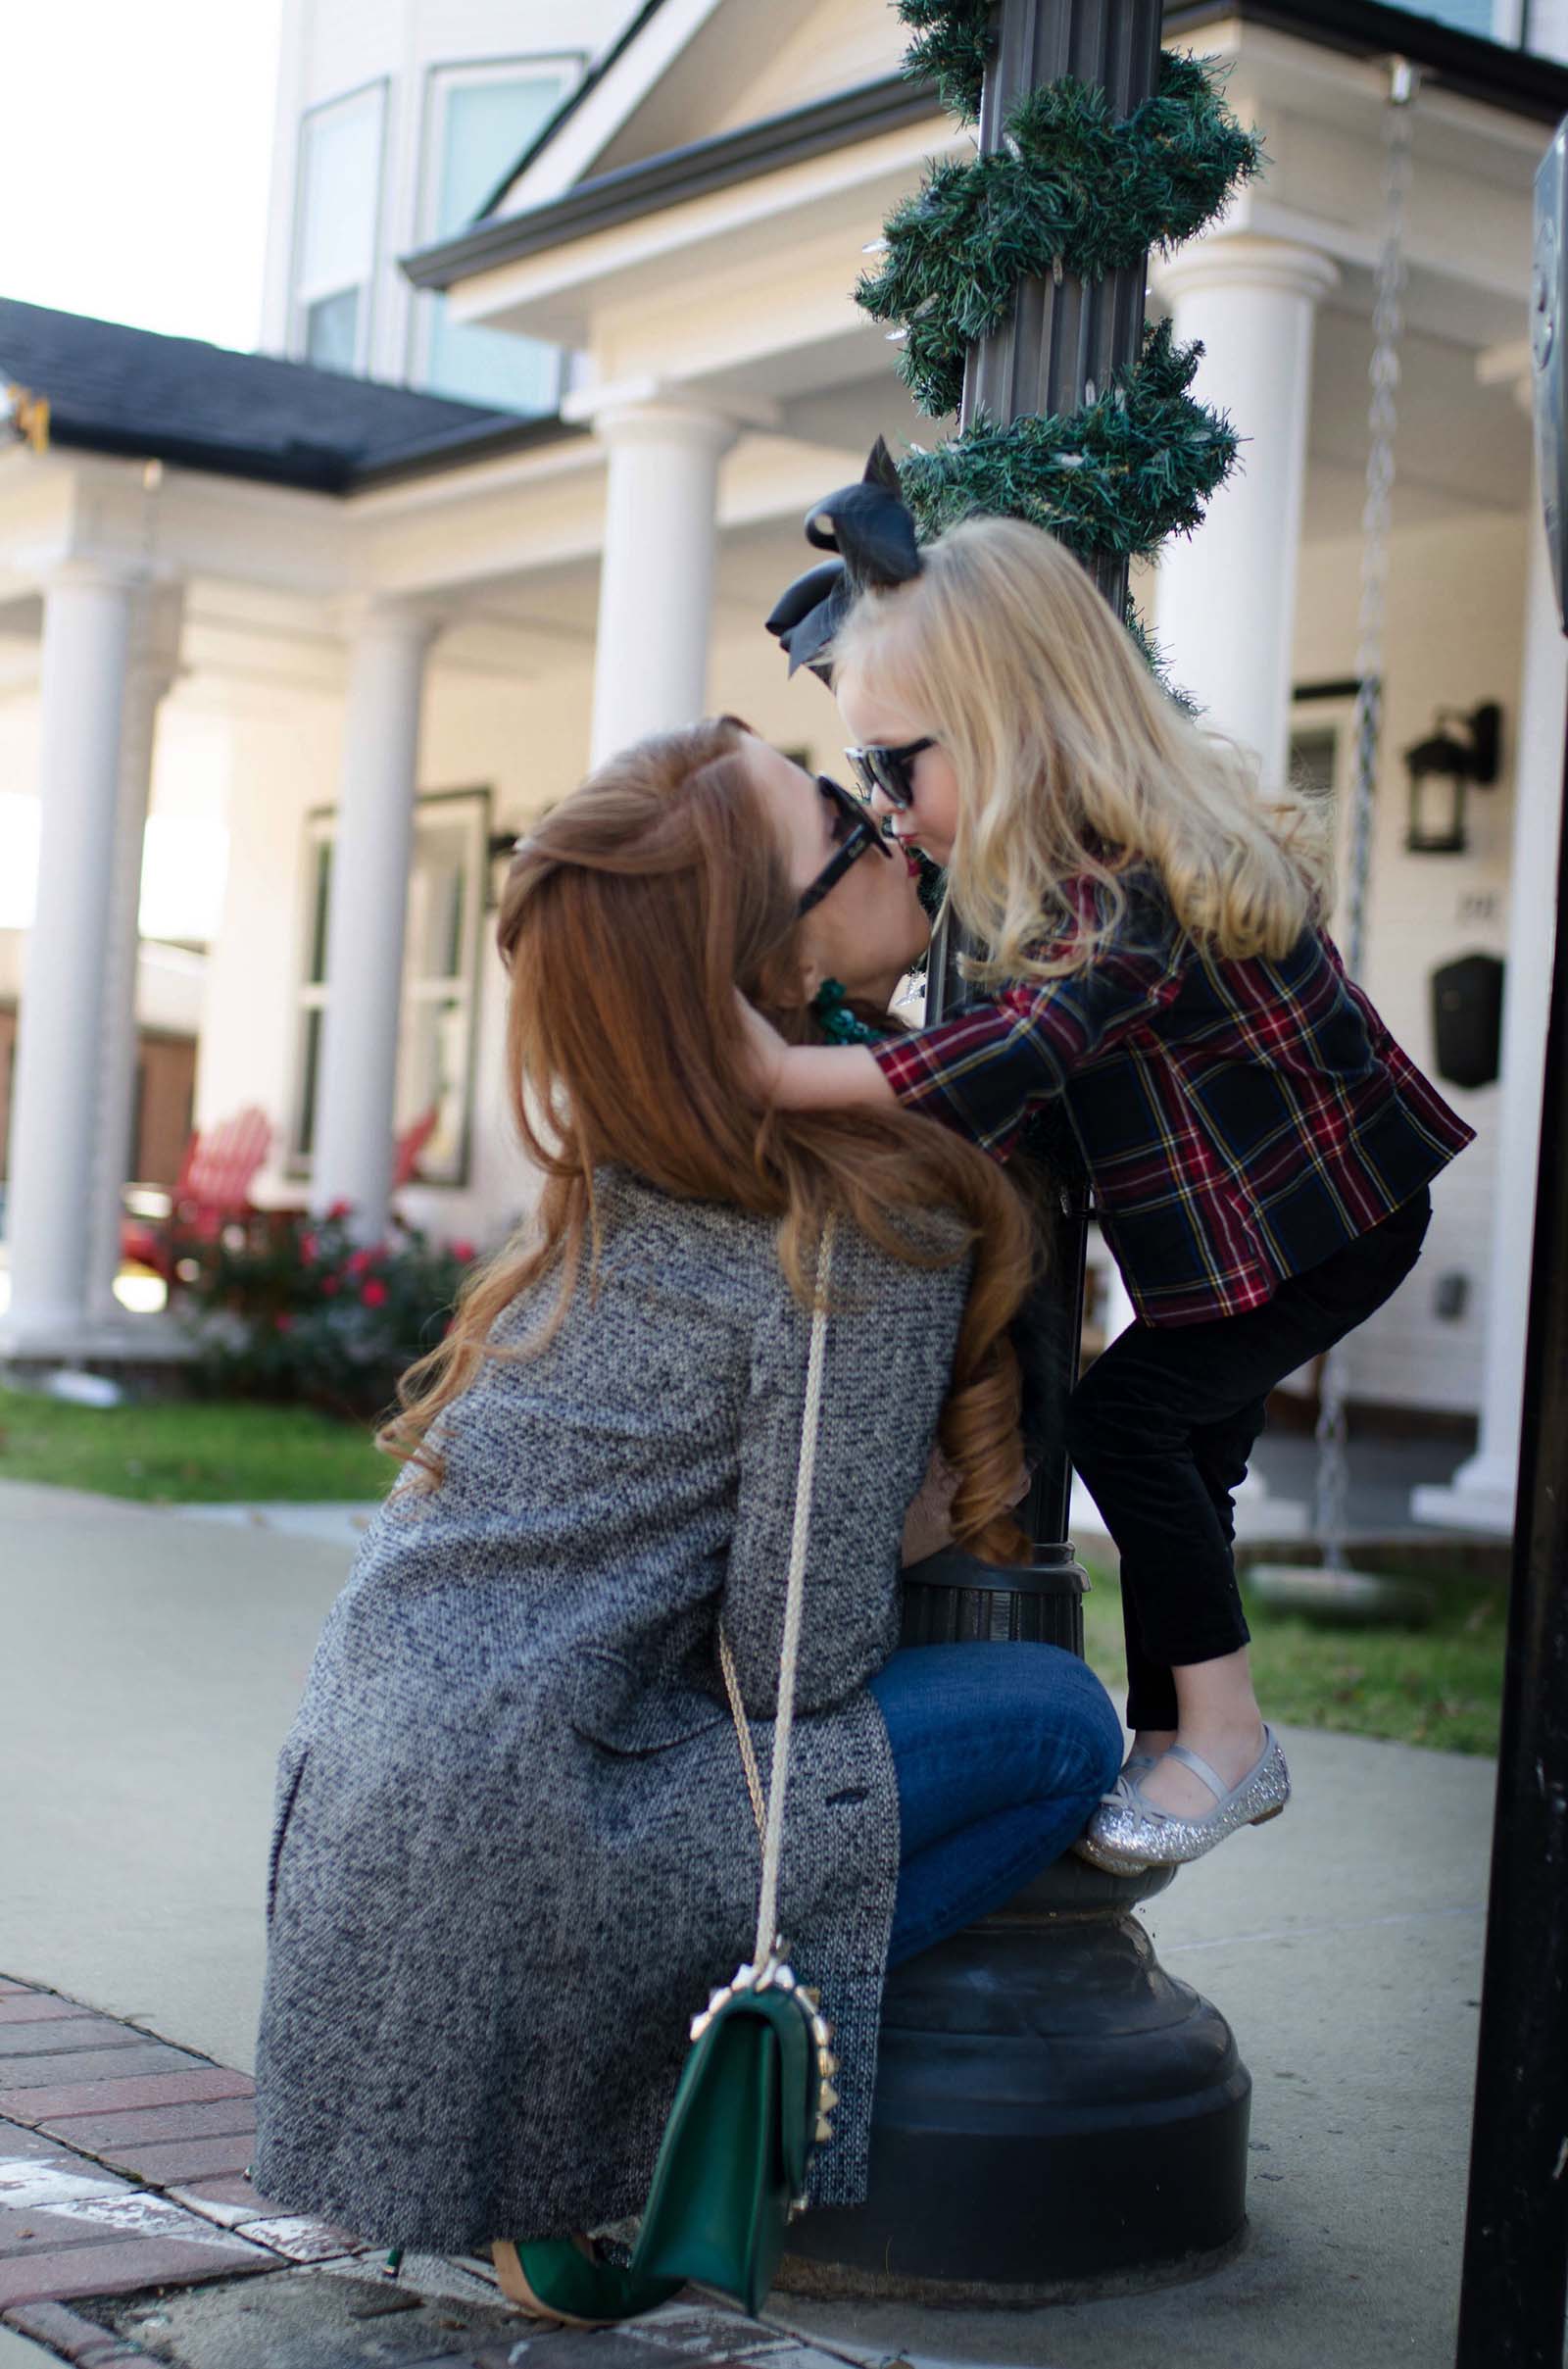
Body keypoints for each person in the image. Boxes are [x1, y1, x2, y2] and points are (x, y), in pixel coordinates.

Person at [251, 716, 1123, 2326]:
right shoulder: (851, 1224)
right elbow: (797, 1655)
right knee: (1059, 1719)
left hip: (362, 1827)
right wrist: (905, 1520)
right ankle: (636, 2111)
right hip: (551, 1834)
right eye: (845, 821)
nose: (890, 823)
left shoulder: (615, 1177)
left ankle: (539, 2104)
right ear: (771, 966)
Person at [743, 514, 1474, 1878]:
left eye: (896, 764)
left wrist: (786, 1074)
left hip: (1328, 1222)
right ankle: (1182, 1736)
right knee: (1183, 1451)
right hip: (1264, 1235)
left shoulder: (1120, 873)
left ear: (1006, 723)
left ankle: (1227, 1737)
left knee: (1129, 1423)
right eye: (863, 771)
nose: (884, 803)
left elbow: (1028, 1049)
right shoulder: (1063, 860)